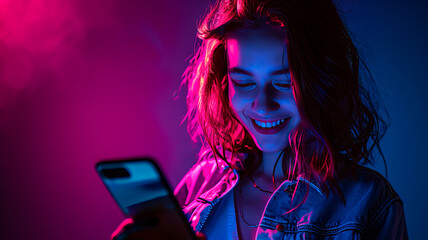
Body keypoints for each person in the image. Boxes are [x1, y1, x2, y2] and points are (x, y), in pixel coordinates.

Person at [112, 0, 408, 239]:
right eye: (243, 83)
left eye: (283, 84)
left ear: (322, 82)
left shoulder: (369, 203)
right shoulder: (199, 184)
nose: (262, 106)